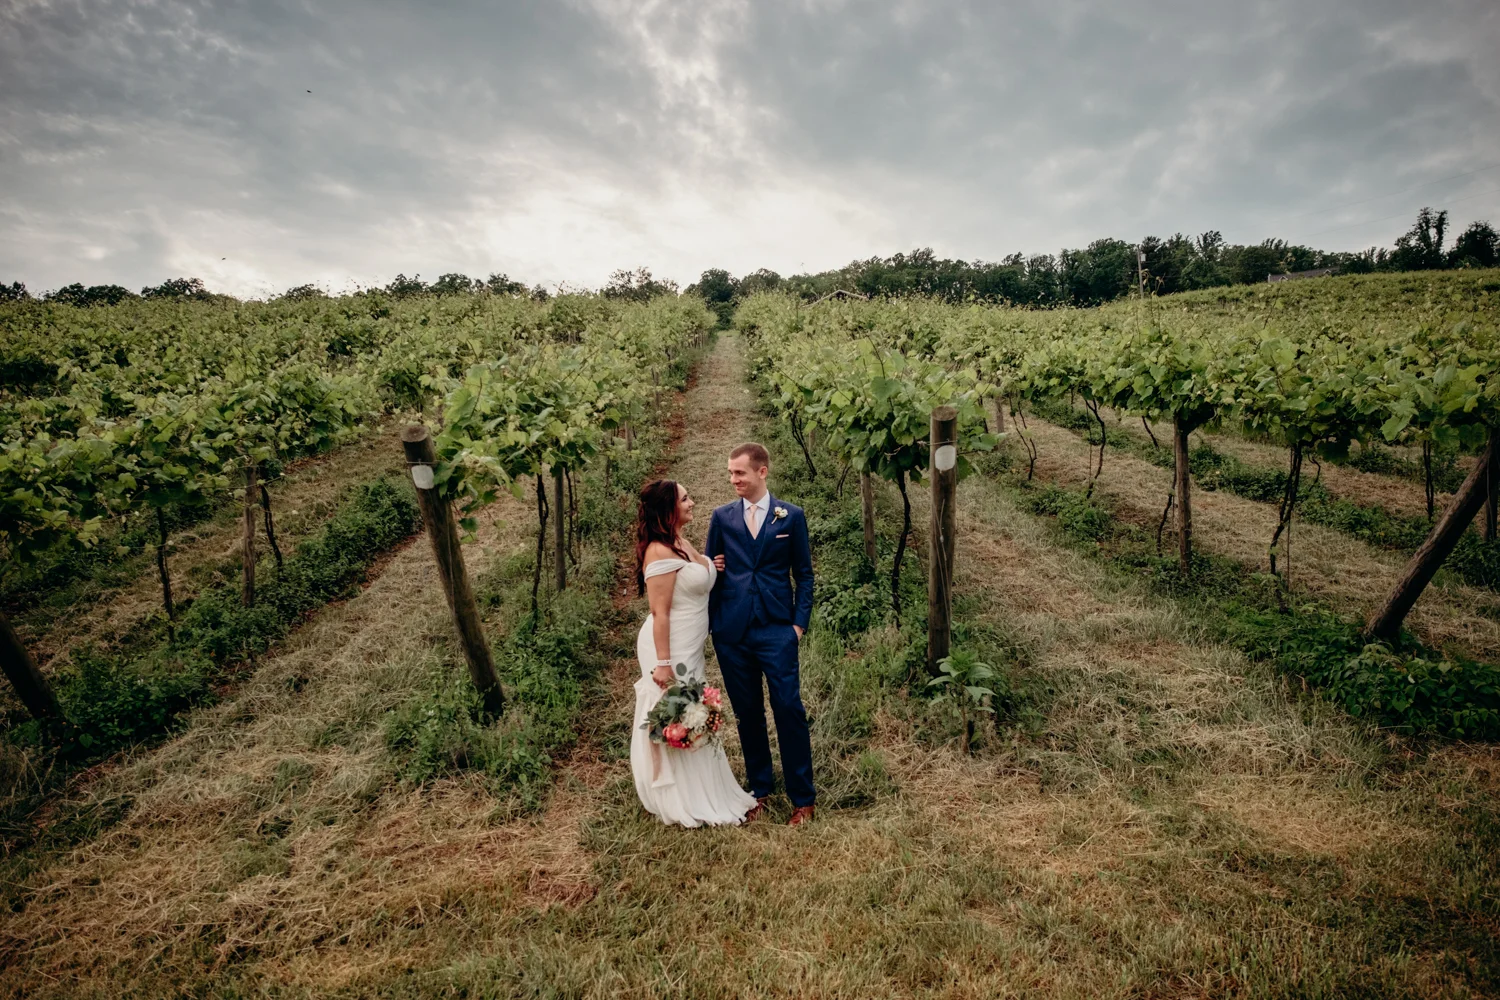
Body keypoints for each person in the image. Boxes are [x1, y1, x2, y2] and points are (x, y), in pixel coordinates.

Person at [630, 479, 758, 827]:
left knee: (695, 714)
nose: (692, 502)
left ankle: (708, 789)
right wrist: (663, 663)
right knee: (678, 715)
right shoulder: (658, 550)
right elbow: (660, 613)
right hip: (669, 648)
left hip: (690, 645)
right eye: (685, 499)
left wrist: (709, 567)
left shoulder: (681, 542)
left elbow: (694, 575)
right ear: (668, 507)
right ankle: (681, 797)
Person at [704, 443, 816, 826]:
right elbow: (710, 575)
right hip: (733, 633)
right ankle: (760, 790)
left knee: (788, 708)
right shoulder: (722, 517)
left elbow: (804, 574)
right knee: (748, 713)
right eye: (731, 473)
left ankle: (803, 797)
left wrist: (797, 625)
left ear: (762, 472)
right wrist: (716, 614)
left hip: (776, 629)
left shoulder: (791, 517)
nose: (734, 479)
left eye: (740, 473)